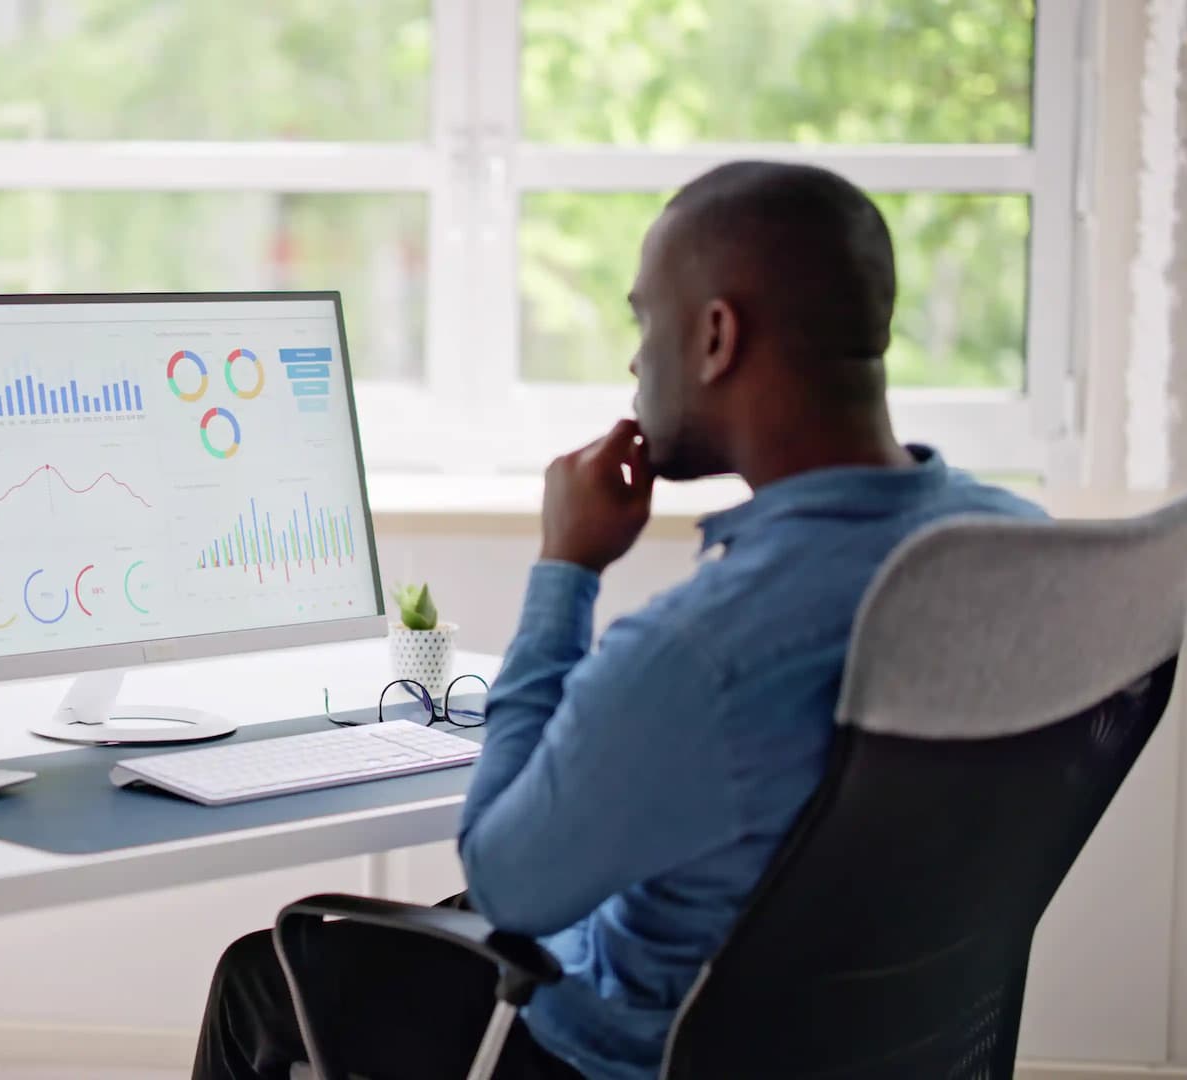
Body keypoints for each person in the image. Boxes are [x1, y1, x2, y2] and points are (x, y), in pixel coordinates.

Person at [192, 161, 1047, 1080]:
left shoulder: (706, 648)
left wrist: (566, 569)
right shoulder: (1013, 547)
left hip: (627, 1051)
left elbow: (507, 885)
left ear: (716, 335)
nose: (638, 360)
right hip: (877, 1035)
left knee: (264, 976)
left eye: (647, 320)